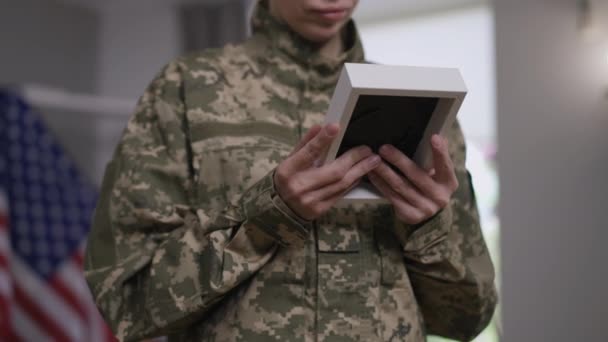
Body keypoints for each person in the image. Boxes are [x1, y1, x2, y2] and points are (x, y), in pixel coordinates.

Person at [84, 0, 497, 341]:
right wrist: (267, 217)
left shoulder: (422, 111)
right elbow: (127, 303)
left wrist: (428, 230)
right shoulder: (186, 89)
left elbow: (466, 320)